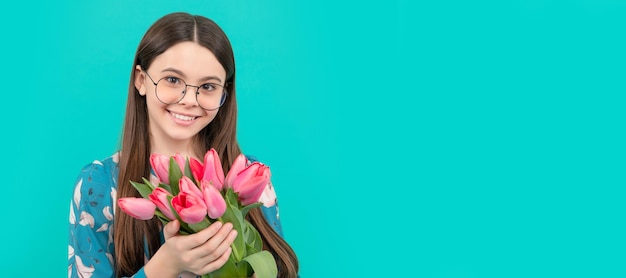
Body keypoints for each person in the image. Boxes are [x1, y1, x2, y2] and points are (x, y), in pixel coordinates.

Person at [68, 12, 299, 278]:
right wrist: (163, 268)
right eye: (173, 80)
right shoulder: (100, 183)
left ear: (225, 92)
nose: (190, 99)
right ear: (141, 80)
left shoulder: (250, 178)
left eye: (208, 86)